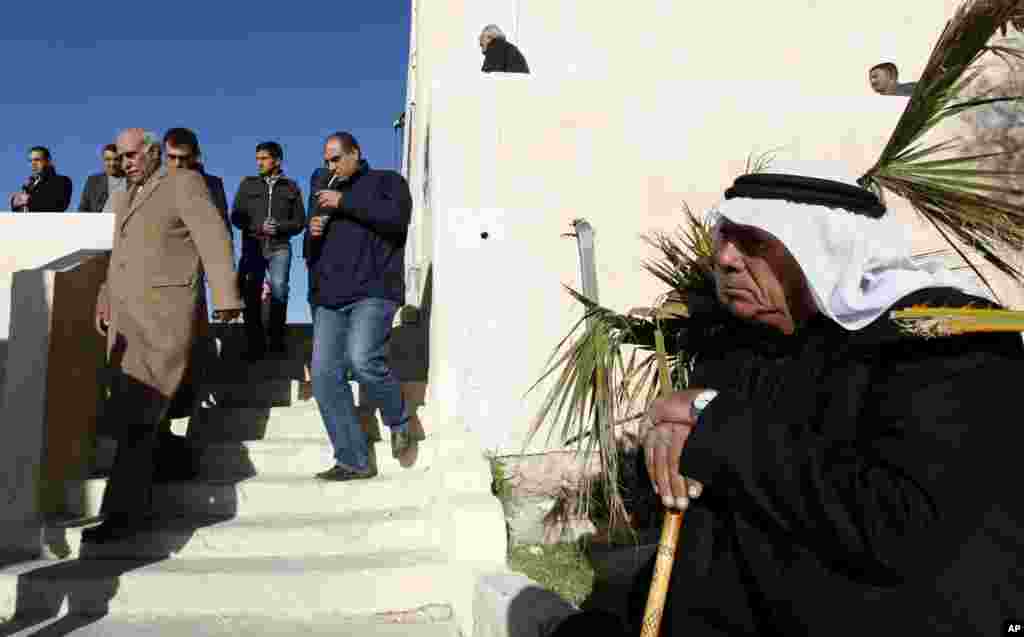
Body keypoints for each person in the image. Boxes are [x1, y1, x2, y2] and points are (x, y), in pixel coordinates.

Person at [552, 162, 1024, 636]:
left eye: (755, 242)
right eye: (725, 236)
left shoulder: (943, 339)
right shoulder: (746, 339)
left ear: (826, 249)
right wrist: (670, 447)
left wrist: (710, 419)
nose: (726, 258)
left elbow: (903, 528)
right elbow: (717, 518)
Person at [85, 128, 241, 543]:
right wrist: (104, 295)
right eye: (120, 157)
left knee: (138, 416)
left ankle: (122, 517)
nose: (125, 163)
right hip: (126, 323)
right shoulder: (125, 197)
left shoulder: (183, 183)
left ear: (153, 152)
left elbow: (213, 237)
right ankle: (149, 489)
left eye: (132, 155)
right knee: (133, 415)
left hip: (163, 318)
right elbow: (117, 255)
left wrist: (226, 296)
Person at [307, 132, 413, 481]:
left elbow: (396, 221)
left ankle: (399, 418)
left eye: (336, 158)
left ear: (355, 153)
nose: (330, 166)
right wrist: (313, 233)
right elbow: (311, 254)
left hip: (374, 290)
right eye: (326, 160)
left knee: (363, 359)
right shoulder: (324, 194)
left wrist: (344, 202)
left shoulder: (387, 182)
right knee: (324, 376)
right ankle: (353, 460)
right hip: (330, 298)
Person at [231, 141, 306, 358]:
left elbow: (300, 222)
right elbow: (236, 216)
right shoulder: (247, 184)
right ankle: (254, 344)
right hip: (253, 246)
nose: (259, 163)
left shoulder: (291, 187)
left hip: (279, 246)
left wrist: (279, 227)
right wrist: (258, 226)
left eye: (264, 158)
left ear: (277, 160)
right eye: (257, 159)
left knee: (279, 288)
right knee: (250, 291)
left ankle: (276, 341)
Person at [8, 146, 73, 212]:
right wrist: (15, 203)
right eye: (30, 161)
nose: (33, 164)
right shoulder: (29, 184)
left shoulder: (62, 181)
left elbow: (59, 204)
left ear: (48, 161)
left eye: (37, 160)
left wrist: (29, 200)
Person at [78, 143, 127, 212]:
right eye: (108, 159)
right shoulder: (93, 181)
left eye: (116, 159)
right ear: (103, 160)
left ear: (121, 160)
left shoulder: (131, 180)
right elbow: (83, 209)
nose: (112, 163)